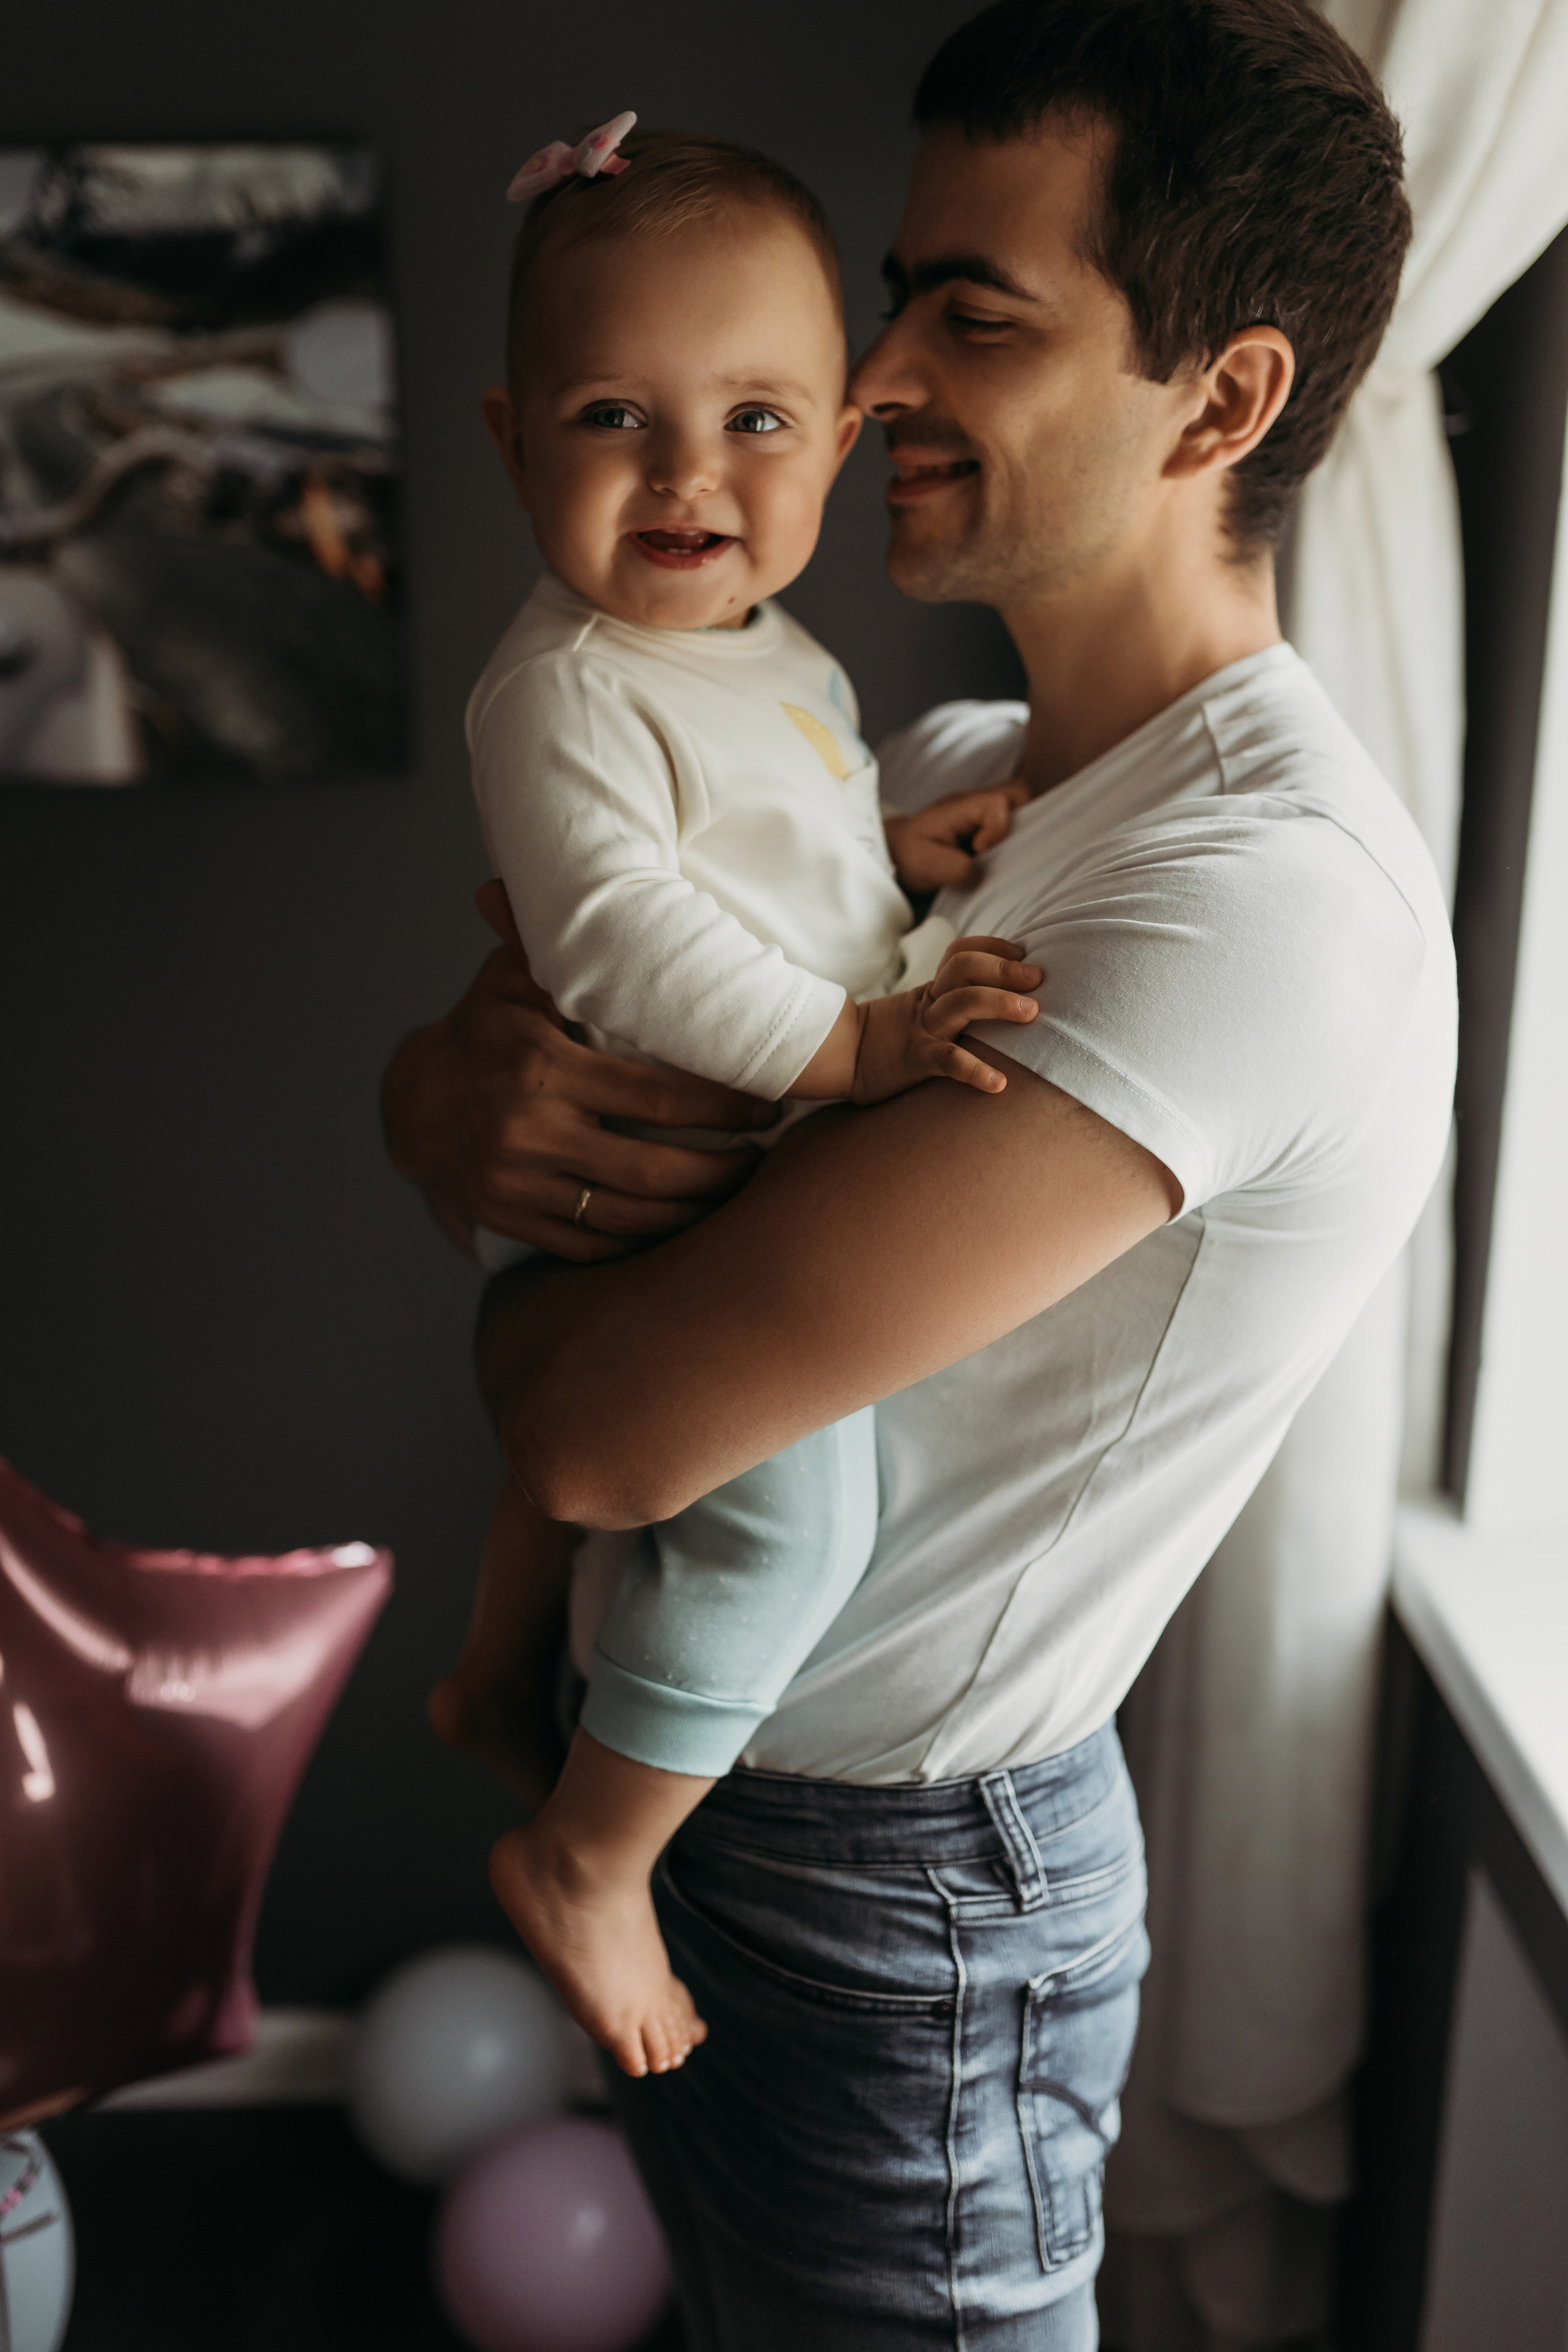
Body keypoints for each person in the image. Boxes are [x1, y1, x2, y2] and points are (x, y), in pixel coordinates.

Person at [383, 1, 1457, 2342]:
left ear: (1227, 401)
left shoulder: (1253, 900)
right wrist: (442, 1097)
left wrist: (494, 1227)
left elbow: (601, 1419)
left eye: (972, 314)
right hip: (719, 1785)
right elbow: (601, 1041)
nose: (863, 375)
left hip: (899, 1892)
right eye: (894, 292)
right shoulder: (958, 765)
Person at [439, 119, 1044, 2082]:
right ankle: (593, 1860)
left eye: (758, 417)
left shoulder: (762, 651)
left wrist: (887, 851)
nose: (692, 472)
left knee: (575, 1427)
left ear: (842, 444)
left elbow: (753, 854)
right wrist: (866, 1042)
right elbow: (619, 935)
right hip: (654, 1164)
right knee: (790, 1528)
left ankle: (486, 1676)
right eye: (619, 413)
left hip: (688, 1156)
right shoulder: (561, 691)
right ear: (514, 439)